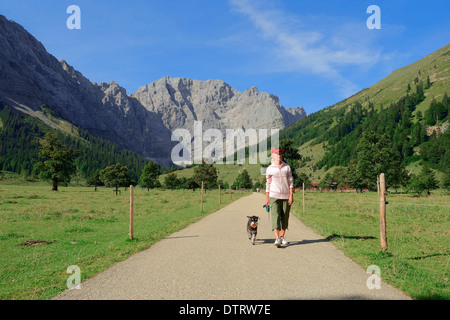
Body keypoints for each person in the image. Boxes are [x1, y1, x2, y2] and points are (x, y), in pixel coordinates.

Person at [265, 148, 294, 247]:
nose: (279, 155)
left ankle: (282, 237)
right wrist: (267, 198)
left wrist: (291, 195)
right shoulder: (270, 169)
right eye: (277, 153)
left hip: (286, 195)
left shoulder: (287, 167)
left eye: (281, 153)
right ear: (273, 156)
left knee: (285, 216)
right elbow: (268, 184)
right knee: (275, 216)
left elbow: (290, 182)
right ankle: (277, 238)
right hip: (274, 195)